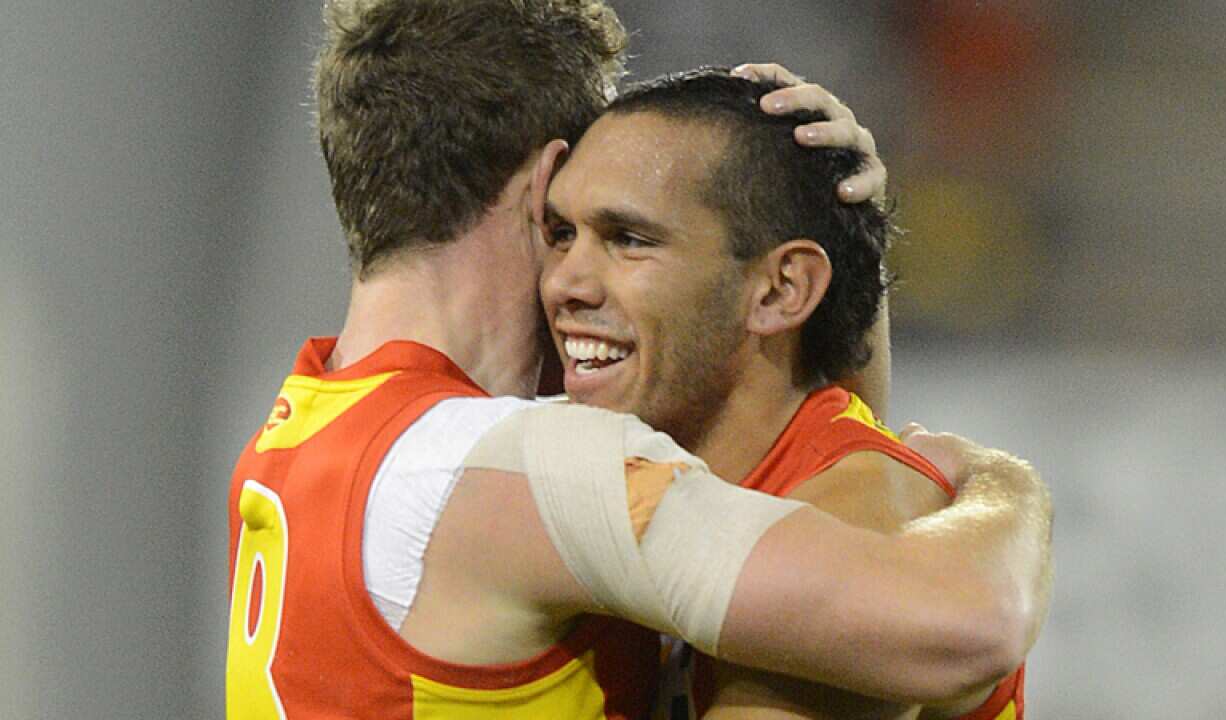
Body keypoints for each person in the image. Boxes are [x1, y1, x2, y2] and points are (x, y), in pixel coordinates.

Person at [225, 2, 1052, 718]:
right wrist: (1005, 487)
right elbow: (959, 621)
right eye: (573, 227)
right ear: (551, 178)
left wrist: (831, 244)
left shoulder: (293, 446)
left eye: (626, 236)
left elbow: (810, 457)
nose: (576, 279)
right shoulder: (537, 471)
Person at [537, 67, 1042, 720]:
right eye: (559, 235)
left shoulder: (854, 530)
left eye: (629, 240)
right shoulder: (714, 475)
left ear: (780, 291)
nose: (562, 284)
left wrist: (1009, 484)